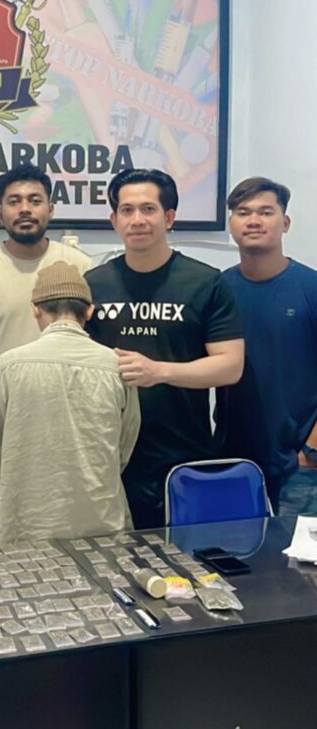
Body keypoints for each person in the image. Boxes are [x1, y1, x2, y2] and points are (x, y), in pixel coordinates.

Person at [85, 168, 244, 529]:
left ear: (169, 217)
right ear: (114, 220)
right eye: (126, 210)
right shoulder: (94, 284)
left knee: (183, 559)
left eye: (148, 209)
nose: (137, 219)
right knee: (114, 559)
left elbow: (230, 365)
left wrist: (158, 371)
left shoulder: (205, 282)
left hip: (183, 455)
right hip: (111, 456)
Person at [0, 262, 140, 547]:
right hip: (101, 518)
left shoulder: (10, 364)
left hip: (28, 520)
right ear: (89, 311)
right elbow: (125, 444)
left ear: (35, 309)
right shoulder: (116, 366)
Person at [0, 163, 93, 435]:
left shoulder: (80, 267)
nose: (25, 209)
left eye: (35, 201)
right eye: (14, 202)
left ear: (50, 209)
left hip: (68, 417)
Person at [216, 176, 317, 517]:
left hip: (301, 470)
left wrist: (310, 452)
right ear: (232, 223)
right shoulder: (217, 290)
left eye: (265, 212)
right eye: (243, 212)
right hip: (232, 463)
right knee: (233, 550)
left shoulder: (311, 289)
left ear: (285, 222)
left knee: (298, 554)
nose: (254, 221)